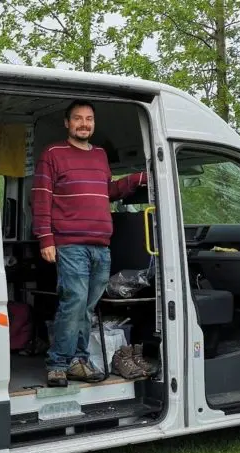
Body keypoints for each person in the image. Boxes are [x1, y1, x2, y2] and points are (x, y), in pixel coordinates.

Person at [32, 100, 147, 387]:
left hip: (101, 245)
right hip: (70, 244)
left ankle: (79, 361)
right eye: (78, 119)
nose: (84, 124)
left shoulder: (99, 156)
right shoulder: (53, 154)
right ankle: (58, 364)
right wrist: (46, 238)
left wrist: (135, 180)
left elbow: (105, 191)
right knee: (73, 304)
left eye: (89, 119)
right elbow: (42, 197)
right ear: (66, 123)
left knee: (87, 308)